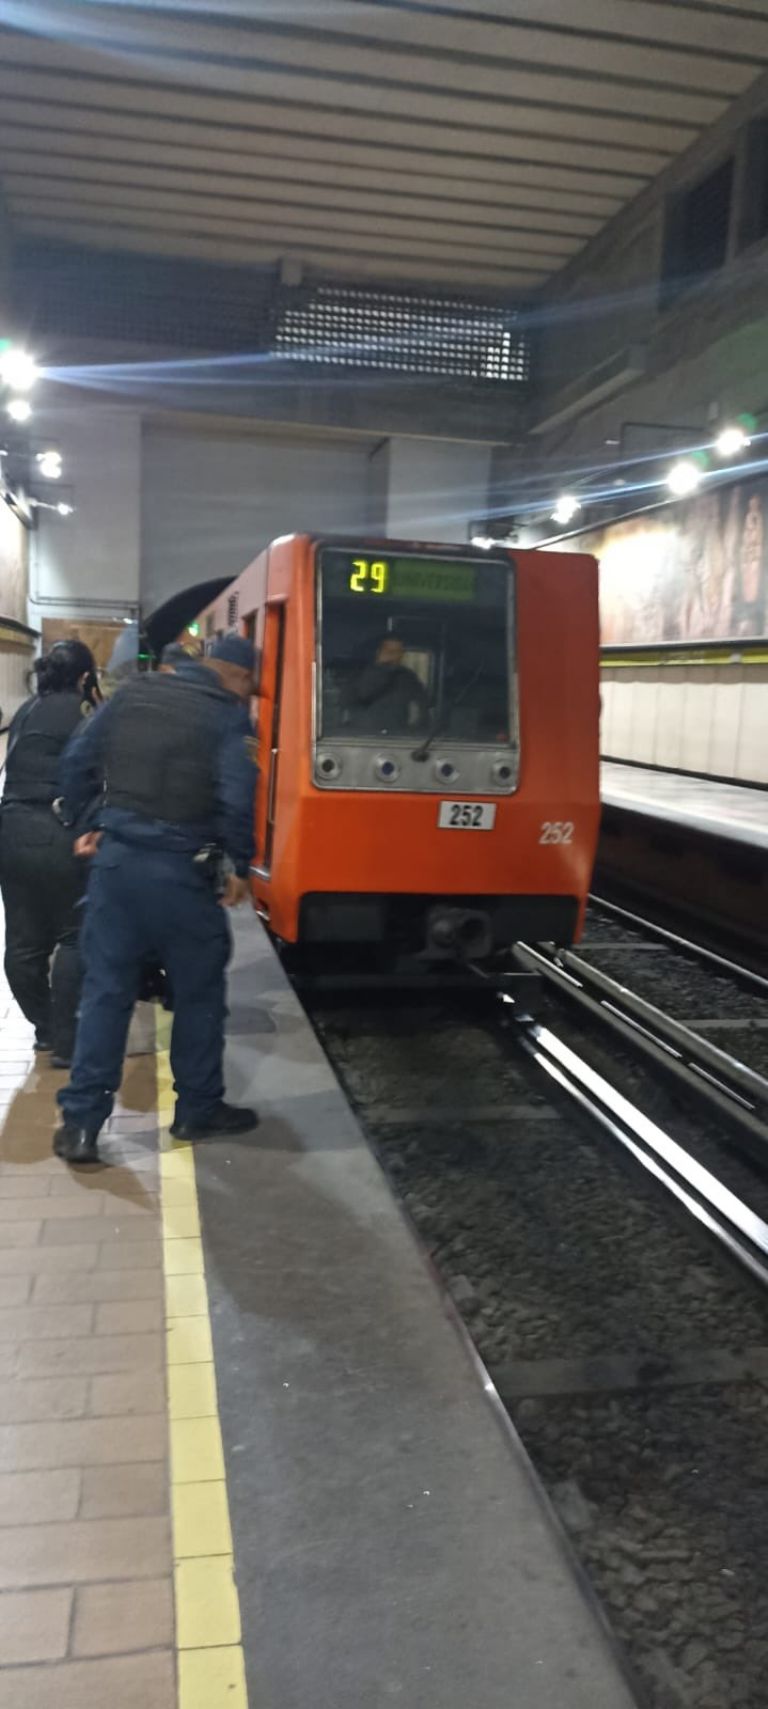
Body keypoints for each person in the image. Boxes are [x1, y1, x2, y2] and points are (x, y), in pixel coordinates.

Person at [52, 633, 259, 1165]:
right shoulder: (227, 716)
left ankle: (81, 1127)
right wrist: (238, 864)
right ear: (234, 677)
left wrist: (86, 821)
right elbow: (237, 797)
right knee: (198, 995)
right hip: (182, 878)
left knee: (105, 994)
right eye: (248, 684)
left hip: (116, 868)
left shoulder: (132, 694)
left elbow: (77, 758)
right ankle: (196, 1110)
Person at [0, 639, 100, 1064]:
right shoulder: (82, 711)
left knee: (23, 944)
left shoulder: (26, 710)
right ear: (83, 677)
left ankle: (45, 1028)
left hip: (10, 829)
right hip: (55, 828)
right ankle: (68, 1041)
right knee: (73, 936)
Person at [348, 635, 429, 735]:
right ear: (378, 652)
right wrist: (379, 669)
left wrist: (413, 731)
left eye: (398, 651)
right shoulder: (359, 674)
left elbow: (423, 706)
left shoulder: (408, 677)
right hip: (361, 737)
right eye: (388, 650)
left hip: (397, 737)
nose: (393, 654)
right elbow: (347, 702)